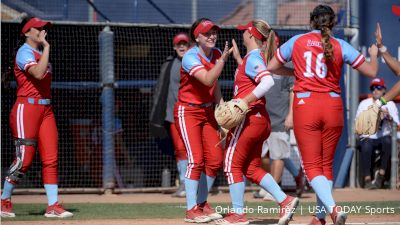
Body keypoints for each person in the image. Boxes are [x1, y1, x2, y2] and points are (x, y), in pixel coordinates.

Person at [266, 5, 379, 225]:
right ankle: (320, 217)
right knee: (326, 165)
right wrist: (375, 54)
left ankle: (333, 210)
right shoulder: (340, 44)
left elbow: (271, 66)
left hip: (306, 104)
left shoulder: (297, 41)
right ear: (333, 23)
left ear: (312, 21)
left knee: (311, 167)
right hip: (333, 105)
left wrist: (295, 72)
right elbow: (372, 71)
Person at [216, 20, 299, 225]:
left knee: (231, 164)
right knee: (251, 168)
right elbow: (267, 73)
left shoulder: (254, 57)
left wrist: (244, 102)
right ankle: (285, 200)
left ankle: (238, 214)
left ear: (251, 35)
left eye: (244, 31)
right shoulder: (255, 57)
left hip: (250, 118)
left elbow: (267, 81)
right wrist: (237, 59)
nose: (242, 34)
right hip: (261, 120)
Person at [1, 17, 73, 218]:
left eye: (44, 28)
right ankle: (4, 200)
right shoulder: (25, 52)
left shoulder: (39, 52)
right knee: (24, 159)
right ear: (26, 32)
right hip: (27, 108)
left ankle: (53, 205)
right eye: (38, 28)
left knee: (51, 158)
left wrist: (45, 49)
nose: (42, 31)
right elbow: (39, 74)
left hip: (45, 109)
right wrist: (47, 47)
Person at [174, 18, 231, 223]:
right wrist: (222, 61)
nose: (212, 36)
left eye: (214, 32)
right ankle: (191, 210)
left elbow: (213, 84)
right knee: (196, 159)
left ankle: (202, 203)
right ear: (196, 37)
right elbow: (207, 78)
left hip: (207, 111)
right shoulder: (190, 56)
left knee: (215, 158)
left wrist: (222, 105)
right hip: (187, 111)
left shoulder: (216, 53)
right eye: (207, 33)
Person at [150, 33, 191, 197]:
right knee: (180, 149)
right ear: (174, 47)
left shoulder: (196, 62)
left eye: (185, 44)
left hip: (191, 114)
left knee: (193, 149)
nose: (181, 47)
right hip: (172, 115)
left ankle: (196, 183)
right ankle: (184, 182)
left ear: (190, 46)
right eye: (178, 44)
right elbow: (160, 90)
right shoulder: (169, 64)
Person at [356, 78, 399, 189]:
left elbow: (397, 125)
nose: (375, 90)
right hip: (368, 136)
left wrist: (388, 116)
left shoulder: (390, 104)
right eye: (373, 88)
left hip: (383, 135)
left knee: (388, 141)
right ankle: (367, 179)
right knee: (366, 144)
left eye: (378, 88)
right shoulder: (364, 103)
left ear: (384, 90)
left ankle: (381, 175)